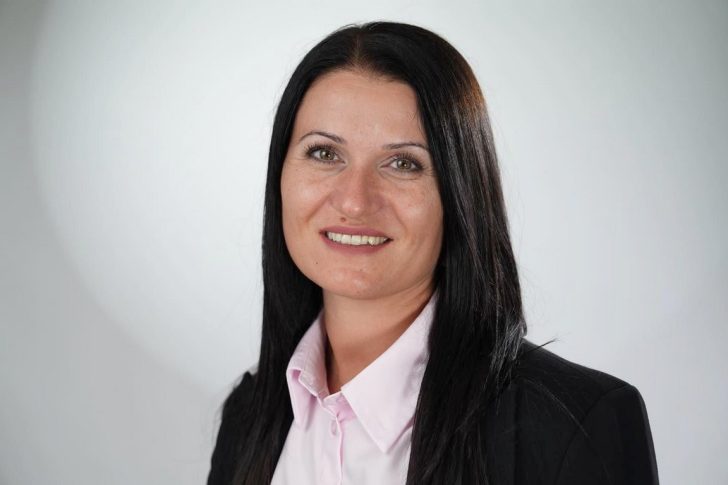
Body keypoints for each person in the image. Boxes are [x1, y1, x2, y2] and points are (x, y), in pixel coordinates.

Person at [207, 21, 659, 485]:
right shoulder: (248, 418)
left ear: (461, 194)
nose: (355, 201)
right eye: (324, 154)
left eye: (403, 163)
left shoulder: (574, 427)